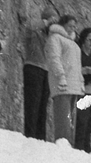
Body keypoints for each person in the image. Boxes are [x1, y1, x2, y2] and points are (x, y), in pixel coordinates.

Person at [45, 15, 84, 145]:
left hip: (74, 85)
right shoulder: (55, 38)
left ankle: (68, 146)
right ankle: (62, 145)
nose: (72, 29)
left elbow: (77, 65)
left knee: (70, 120)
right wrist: (60, 76)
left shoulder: (73, 43)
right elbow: (54, 58)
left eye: (74, 26)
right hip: (62, 83)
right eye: (70, 25)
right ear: (63, 25)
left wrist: (81, 81)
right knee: (63, 119)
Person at [22, 6, 60, 140]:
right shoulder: (34, 30)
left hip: (46, 72)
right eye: (51, 19)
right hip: (33, 67)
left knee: (42, 107)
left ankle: (40, 138)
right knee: (32, 105)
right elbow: (29, 25)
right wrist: (46, 22)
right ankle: (30, 136)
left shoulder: (50, 37)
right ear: (45, 19)